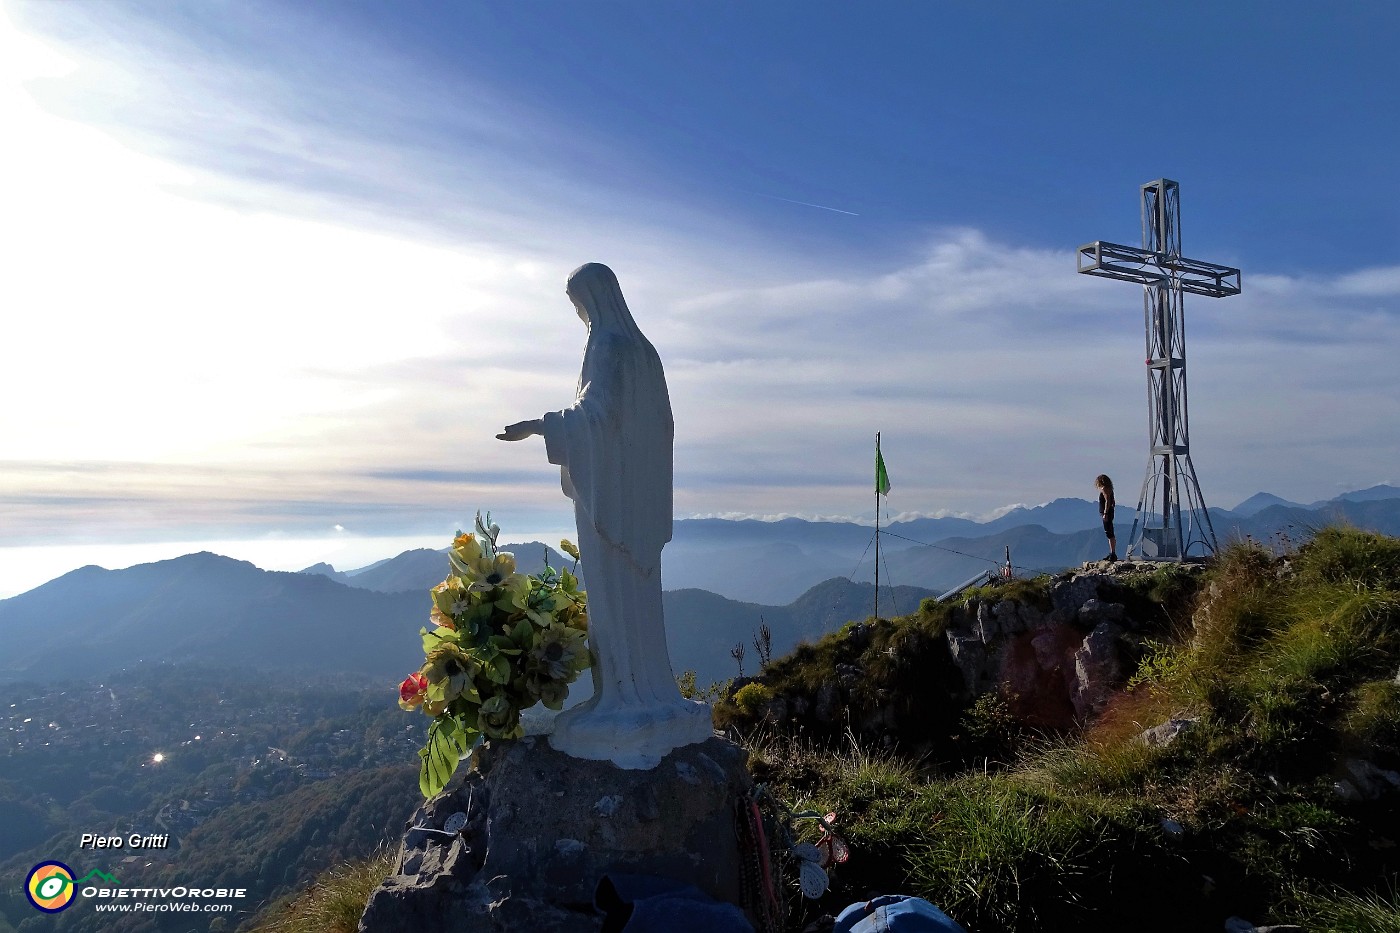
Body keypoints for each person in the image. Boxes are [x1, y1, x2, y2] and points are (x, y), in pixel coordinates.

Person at [497, 263, 711, 768]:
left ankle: (623, 697)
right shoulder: (645, 351)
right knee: (639, 600)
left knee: (613, 597)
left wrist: (538, 425)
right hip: (636, 500)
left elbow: (596, 417)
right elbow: (660, 428)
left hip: (610, 504)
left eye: (578, 303)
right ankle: (646, 690)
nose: (579, 313)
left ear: (593, 298)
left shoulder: (608, 347)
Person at [1095, 474, 1118, 562]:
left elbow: (1107, 500)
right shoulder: (1110, 489)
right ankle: (1112, 552)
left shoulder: (1104, 489)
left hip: (1107, 513)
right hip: (1110, 512)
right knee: (1110, 532)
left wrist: (1105, 513)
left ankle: (1113, 553)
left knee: (1109, 533)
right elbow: (1112, 500)